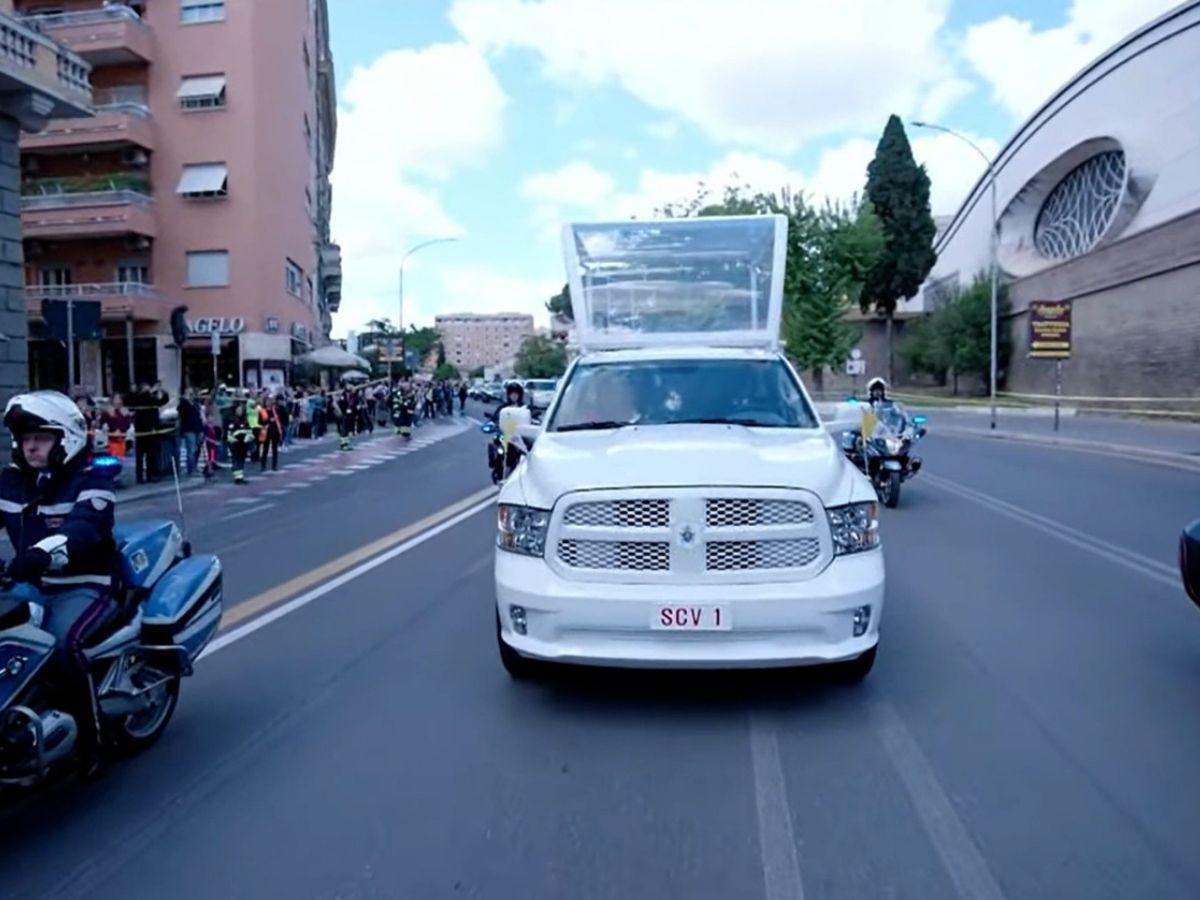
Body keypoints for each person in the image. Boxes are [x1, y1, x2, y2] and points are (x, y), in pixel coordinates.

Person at [1, 391, 120, 770]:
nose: (30, 446)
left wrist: (40, 553)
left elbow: (82, 527)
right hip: (32, 583)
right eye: (25, 439)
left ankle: (93, 737)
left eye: (40, 438)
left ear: (65, 438)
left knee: (63, 644)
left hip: (87, 582)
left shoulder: (93, 477)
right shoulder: (12, 481)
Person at [129, 382, 164, 483]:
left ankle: (151, 475)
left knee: (151, 455)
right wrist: (150, 392)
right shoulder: (139, 398)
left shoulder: (152, 399)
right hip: (141, 430)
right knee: (140, 455)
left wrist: (162, 392)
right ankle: (139, 477)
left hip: (151, 430)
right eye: (147, 388)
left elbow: (160, 402)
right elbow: (140, 401)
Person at [226, 400, 255, 484]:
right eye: (238, 410)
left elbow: (249, 430)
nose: (240, 411)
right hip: (235, 444)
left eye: (241, 410)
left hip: (244, 444)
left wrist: (249, 438)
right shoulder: (231, 420)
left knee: (242, 460)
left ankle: (240, 477)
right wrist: (233, 441)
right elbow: (230, 434)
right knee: (236, 460)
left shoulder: (245, 420)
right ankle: (237, 478)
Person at [178, 389, 204, 477]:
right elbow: (180, 411)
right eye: (189, 393)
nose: (191, 394)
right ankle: (191, 469)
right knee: (191, 450)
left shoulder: (195, 403)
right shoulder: (183, 403)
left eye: (192, 393)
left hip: (198, 428)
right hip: (189, 429)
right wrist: (184, 399)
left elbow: (199, 414)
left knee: (197, 449)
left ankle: (195, 466)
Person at [259, 395, 283, 472]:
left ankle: (274, 465)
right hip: (266, 432)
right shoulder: (262, 411)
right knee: (265, 449)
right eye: (267, 401)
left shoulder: (275, 410)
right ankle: (263, 465)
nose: (269, 403)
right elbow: (260, 421)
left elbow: (280, 420)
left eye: (270, 401)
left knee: (274, 449)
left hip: (275, 431)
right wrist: (269, 420)